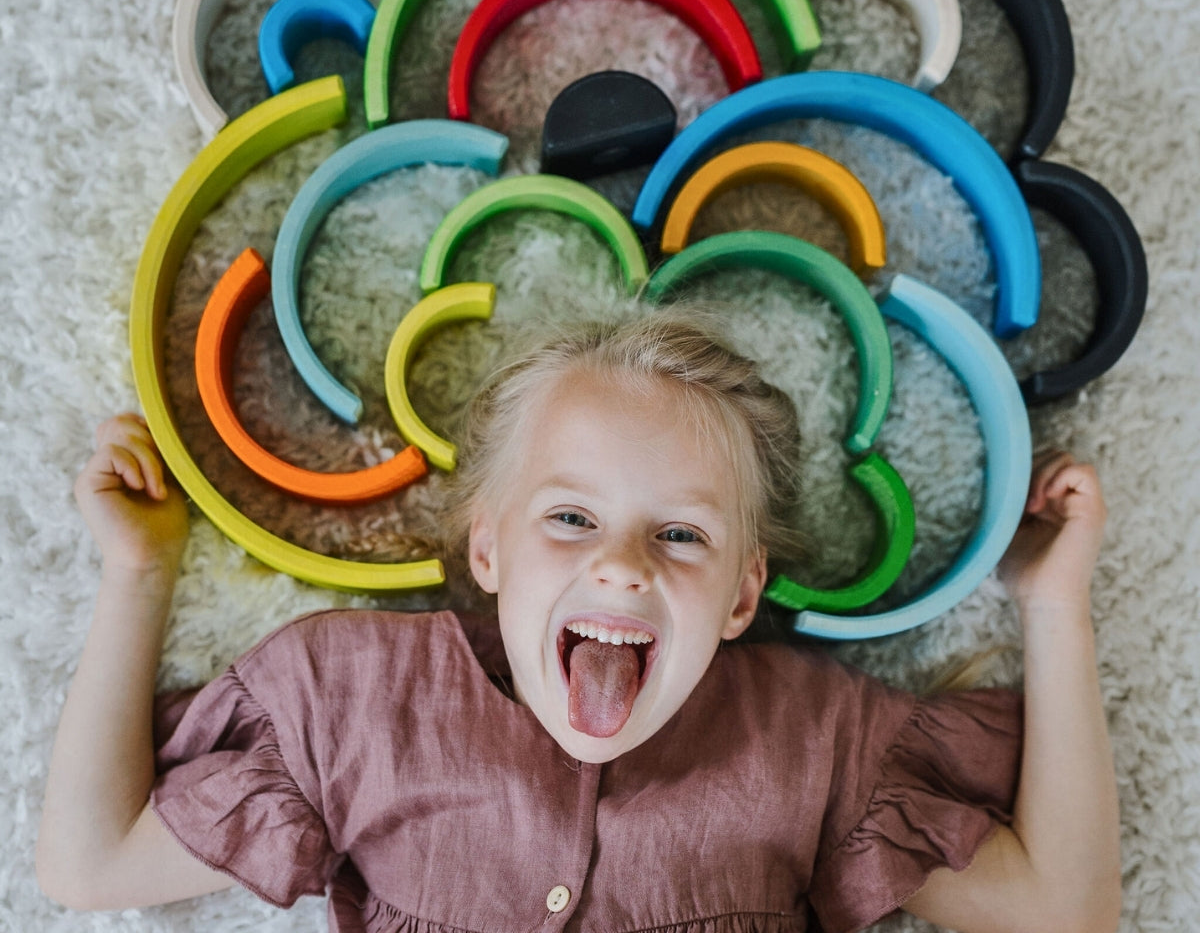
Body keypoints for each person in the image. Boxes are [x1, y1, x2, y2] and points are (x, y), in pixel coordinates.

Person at [36, 310, 1121, 932]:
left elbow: (1066, 911)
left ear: (743, 595)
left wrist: (1053, 602)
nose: (620, 564)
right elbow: (87, 866)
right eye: (571, 517)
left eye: (681, 536)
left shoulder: (813, 743)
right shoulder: (353, 700)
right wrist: (138, 575)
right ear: (491, 549)